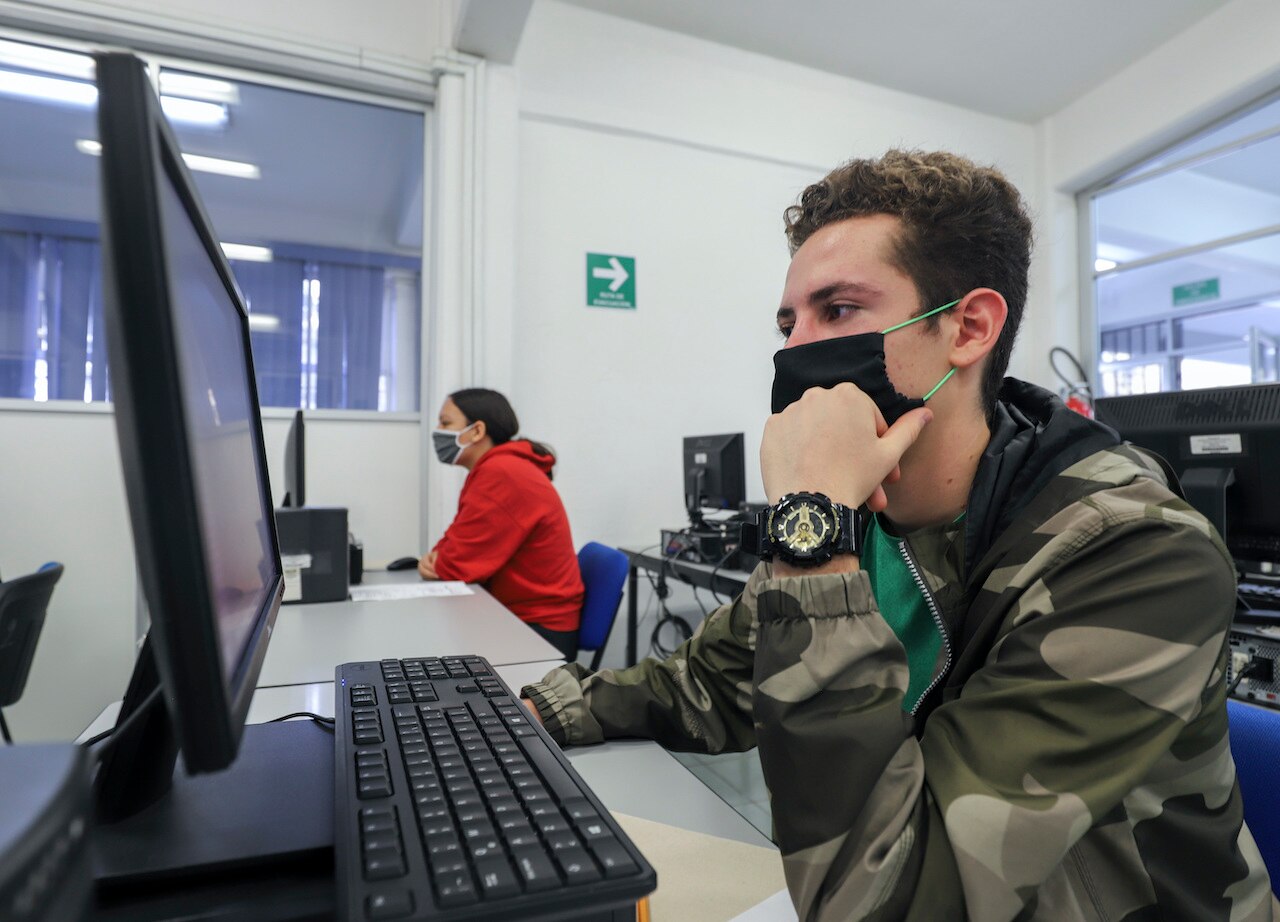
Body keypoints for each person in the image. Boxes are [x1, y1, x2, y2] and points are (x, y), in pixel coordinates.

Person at [521, 150, 1277, 920]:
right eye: (789, 323)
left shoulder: (1136, 553)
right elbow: (712, 681)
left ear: (969, 327)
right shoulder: (863, 516)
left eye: (838, 310)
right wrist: (542, 710)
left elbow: (896, 899)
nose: (793, 350)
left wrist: (813, 535)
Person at [420, 388, 583, 659]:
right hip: (516, 615)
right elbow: (453, 543)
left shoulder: (502, 473)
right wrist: (440, 561)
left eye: (446, 422)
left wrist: (440, 562)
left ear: (477, 431)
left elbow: (454, 565)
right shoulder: (495, 469)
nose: (438, 430)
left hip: (538, 630)